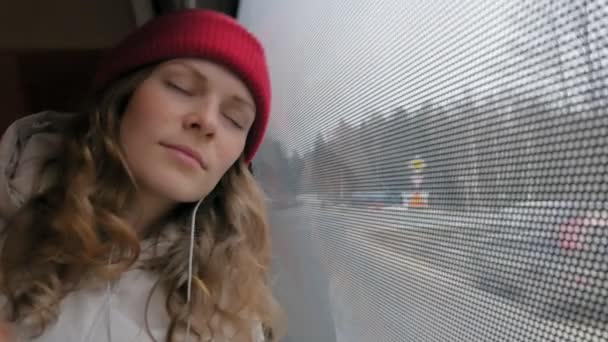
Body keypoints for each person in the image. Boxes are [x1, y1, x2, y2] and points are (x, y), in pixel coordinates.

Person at [0, 9, 282, 342]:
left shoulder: (230, 311)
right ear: (122, 97)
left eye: (235, 120)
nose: (207, 121)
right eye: (180, 86)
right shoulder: (10, 222)